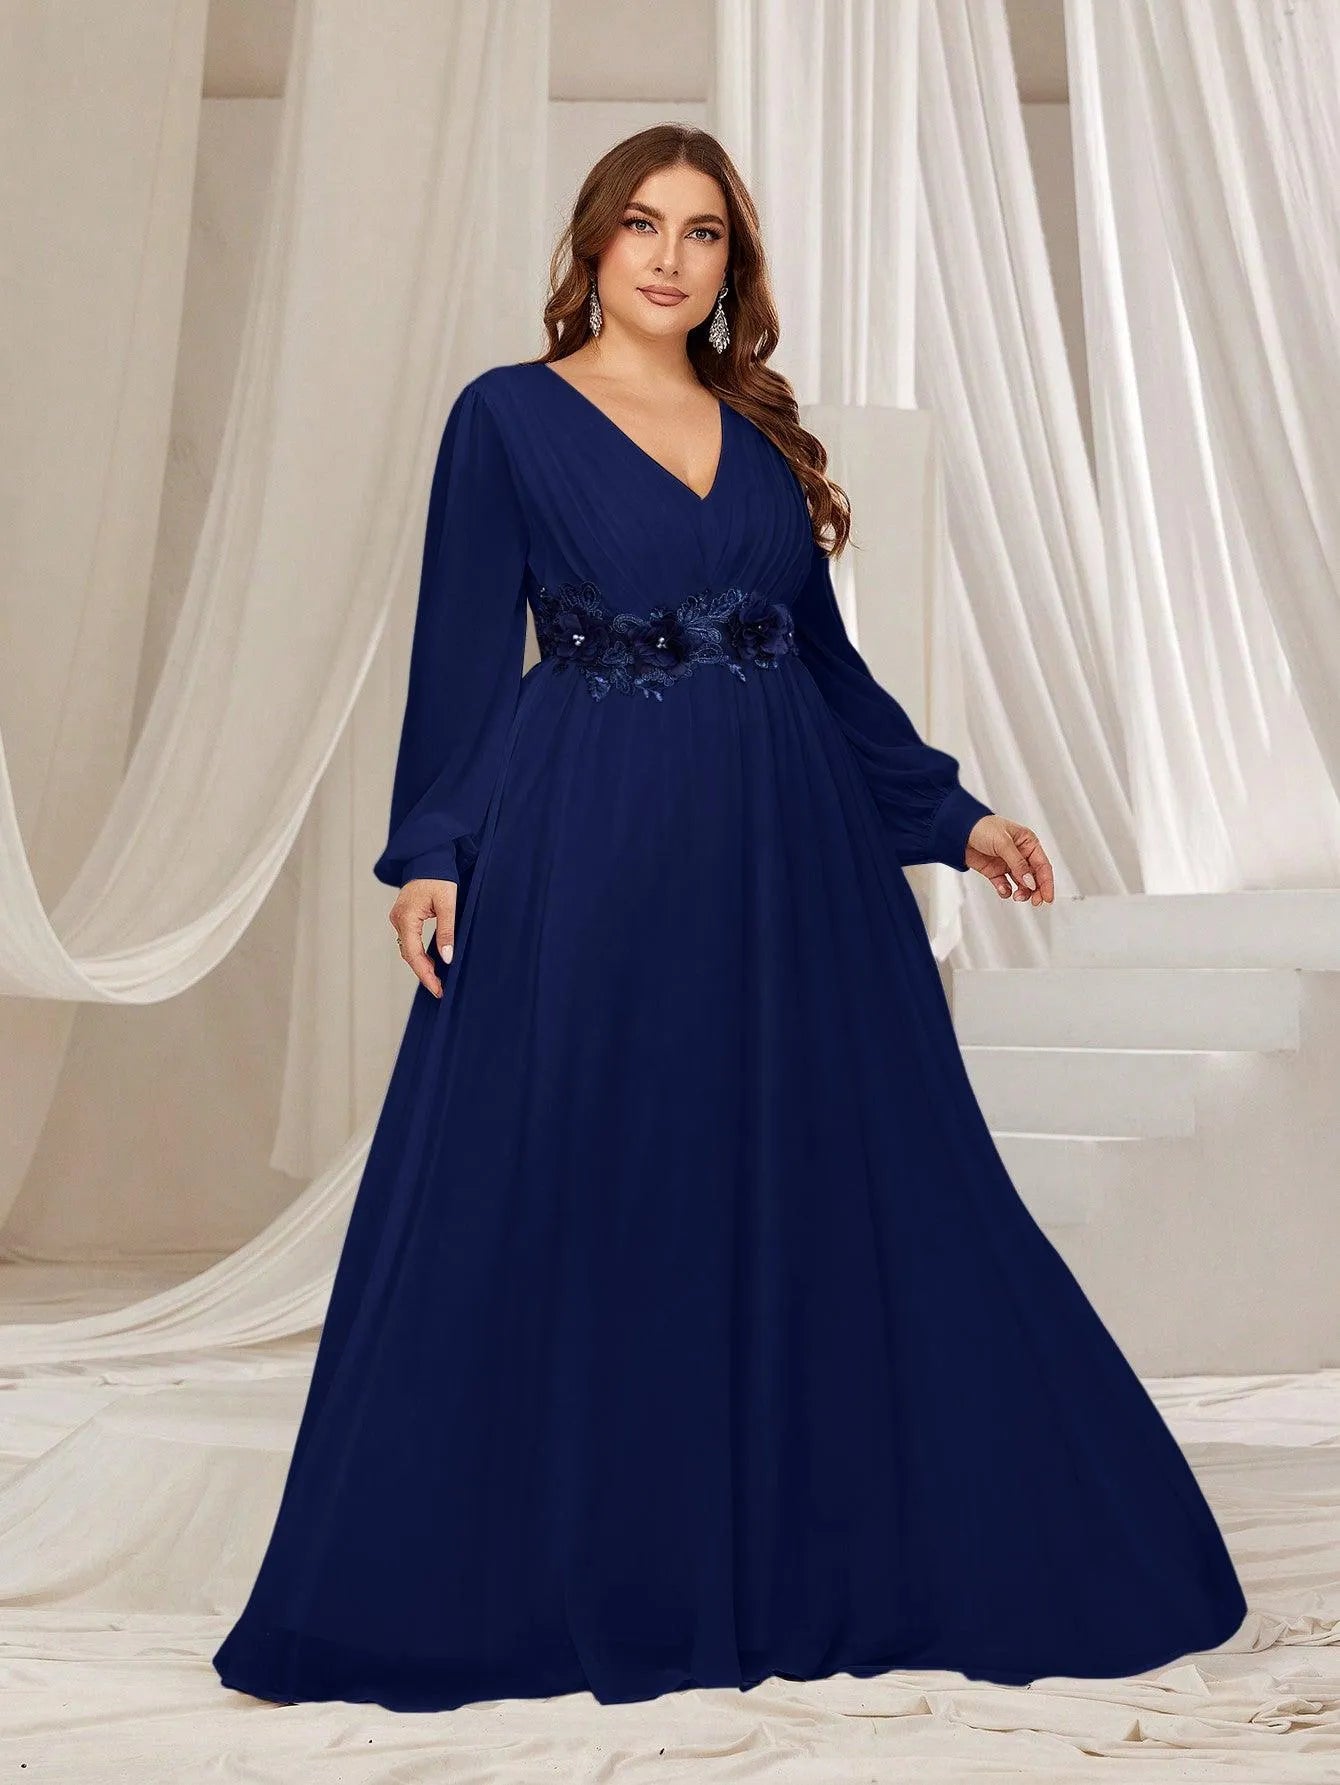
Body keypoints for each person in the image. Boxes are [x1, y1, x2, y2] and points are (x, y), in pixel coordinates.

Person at [212, 124, 1246, 1712]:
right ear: (594, 242)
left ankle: (805, 1550)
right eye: (643, 224)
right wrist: (433, 852)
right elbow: (462, 658)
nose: (670, 256)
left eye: (702, 233)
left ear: (730, 269)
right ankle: (596, 1559)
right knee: (603, 1177)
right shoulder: (507, 417)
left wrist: (955, 818)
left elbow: (826, 670)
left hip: (791, 865)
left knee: (836, 1183)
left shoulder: (759, 433)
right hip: (596, 848)